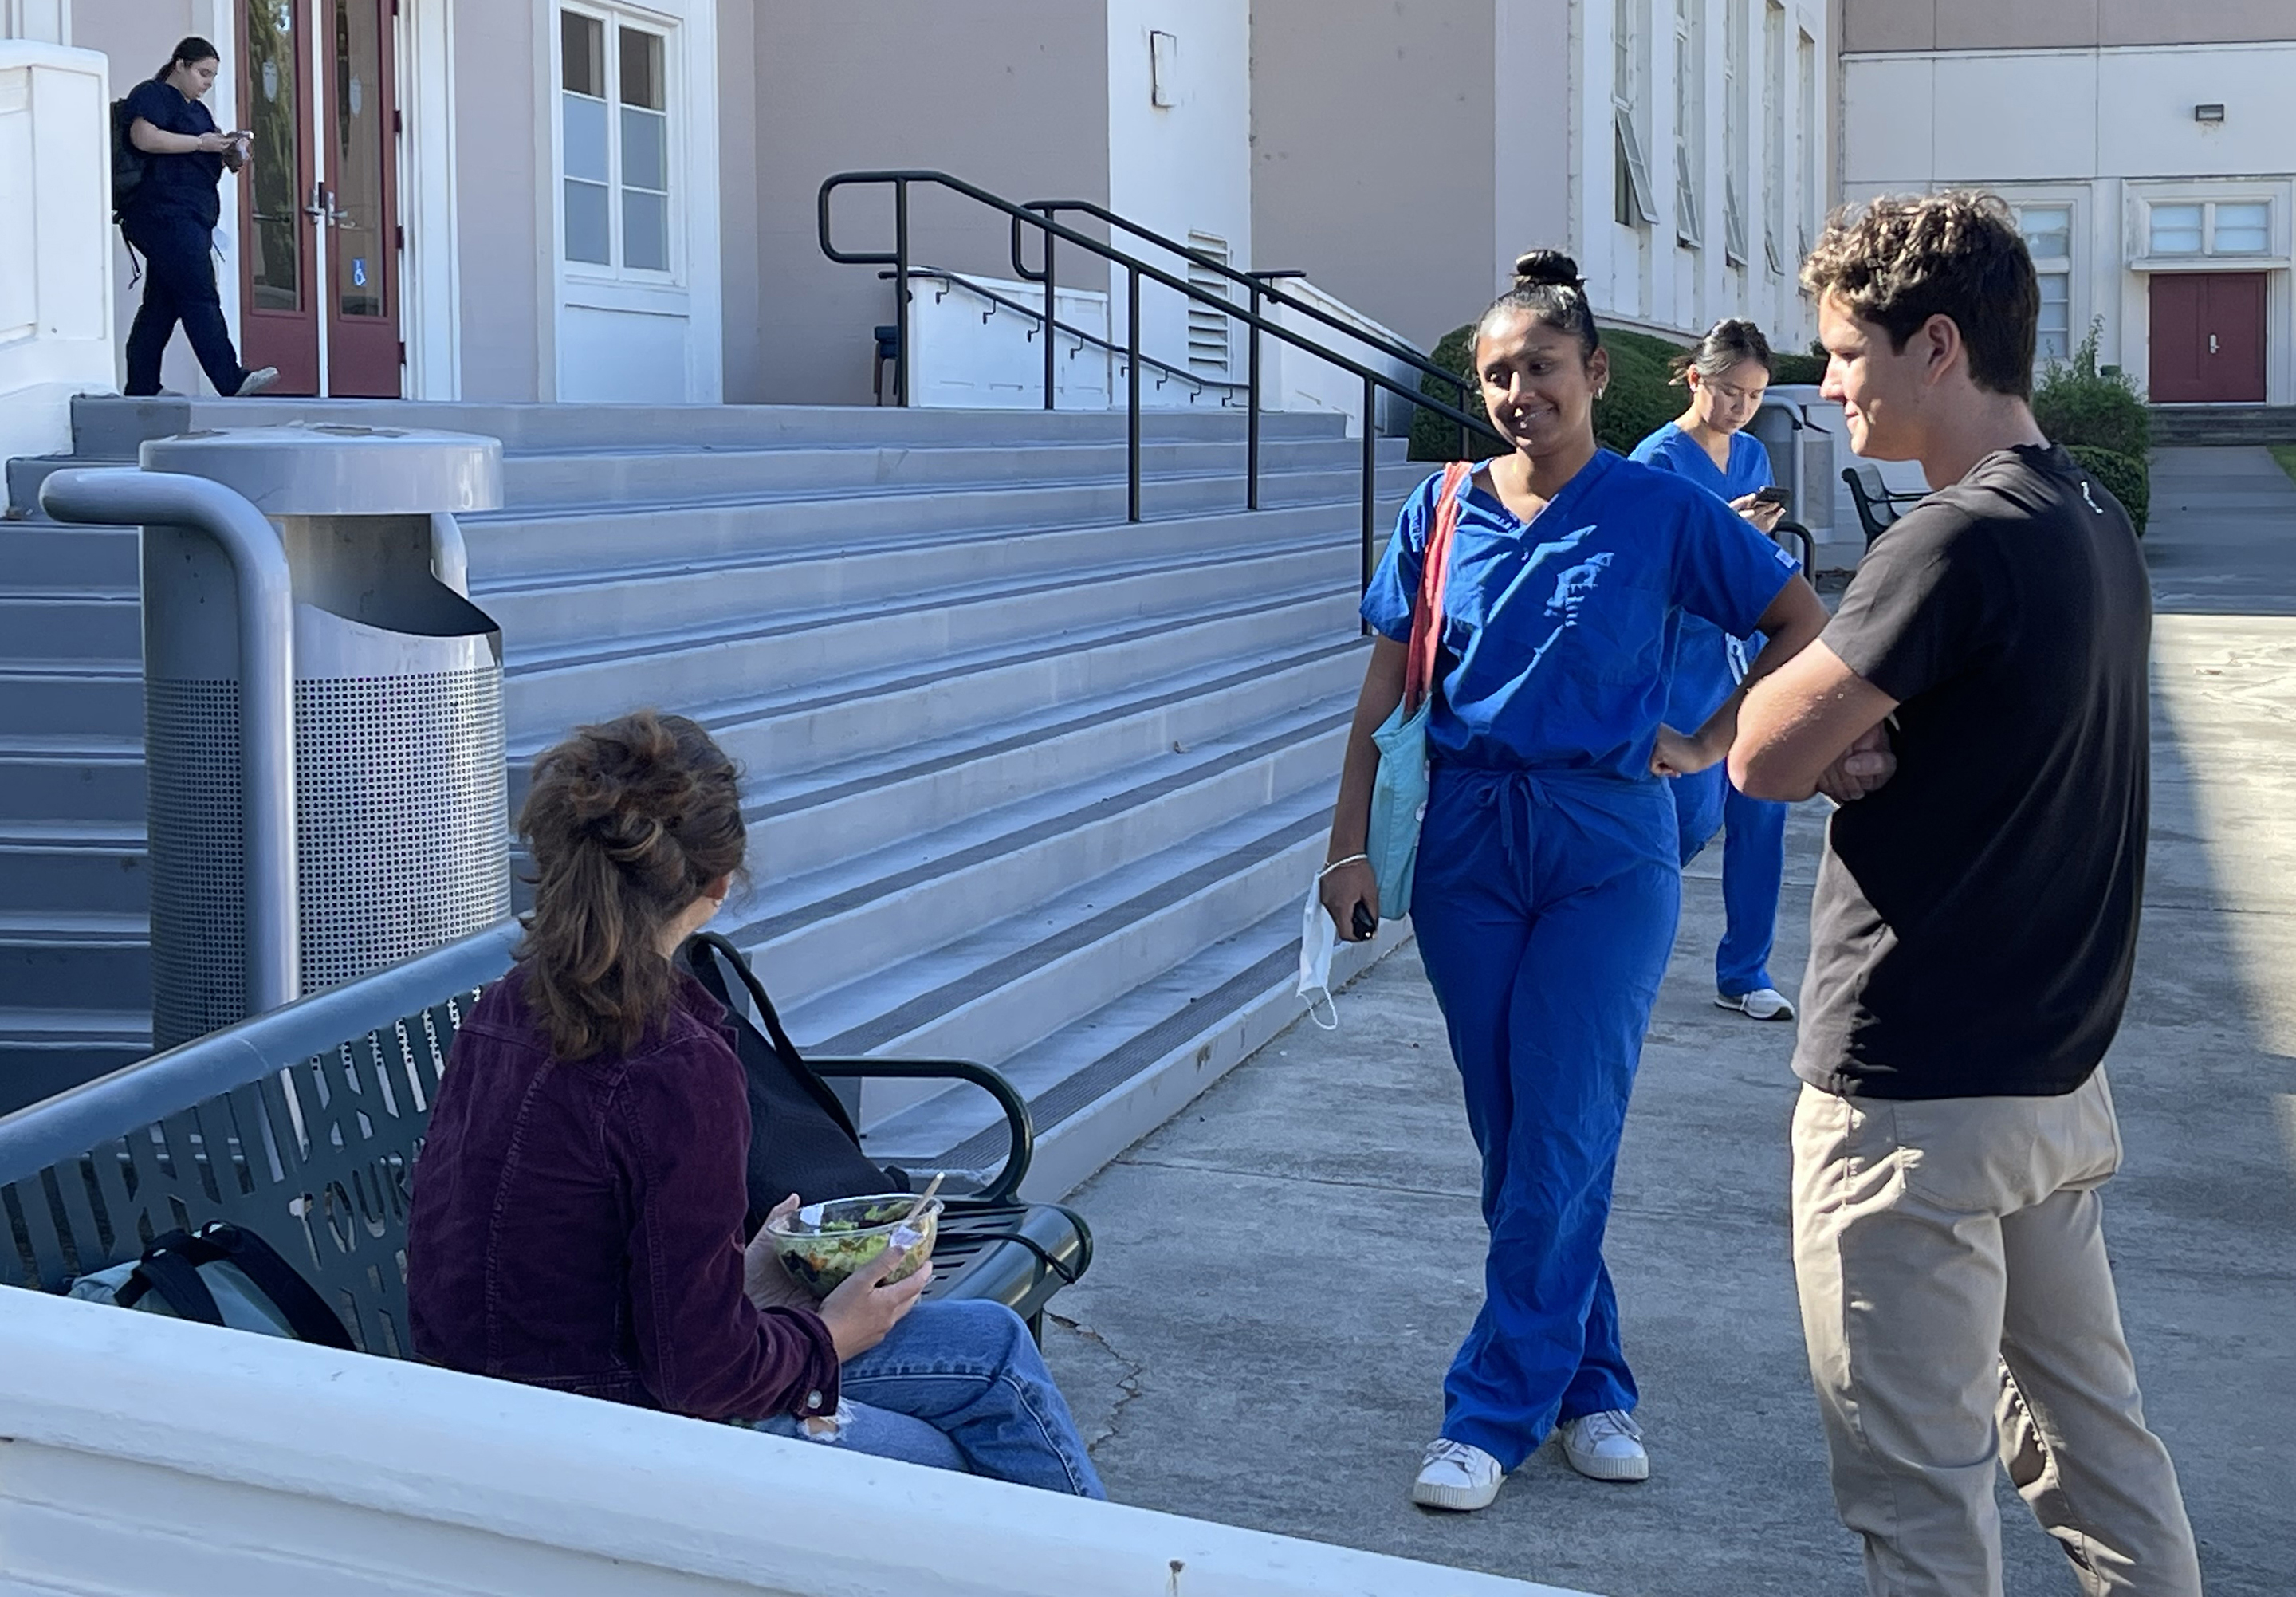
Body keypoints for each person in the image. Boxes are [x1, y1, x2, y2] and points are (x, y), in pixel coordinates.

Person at [1732, 192, 2201, 1596]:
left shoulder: (1951, 539)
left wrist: (1832, 724)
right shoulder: (2091, 514)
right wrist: (1863, 730)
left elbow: (1760, 751)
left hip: (1914, 1100)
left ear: (1937, 345)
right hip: (2052, 1085)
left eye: (1847, 353)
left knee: (1921, 1500)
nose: (1830, 387)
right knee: (2101, 1456)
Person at [1319, 252, 1829, 1512]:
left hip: (1609, 840)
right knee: (1517, 1133)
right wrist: (1343, 845)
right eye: (1496, 373)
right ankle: (1594, 1378)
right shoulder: (1437, 507)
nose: (1515, 391)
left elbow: (1800, 621)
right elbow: (1385, 688)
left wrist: (1712, 743)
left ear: (1596, 374)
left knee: (1564, 1122)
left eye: (1538, 366)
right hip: (1469, 838)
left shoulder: (1658, 506)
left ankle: (1490, 1407)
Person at [405, 710, 1103, 1496]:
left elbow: (571, 1256)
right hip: (613, 1434)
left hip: (502, 1399)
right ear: (719, 880)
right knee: (964, 1462)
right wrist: (835, 1333)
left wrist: (742, 1276)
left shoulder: (508, 1005)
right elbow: (701, 1376)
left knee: (996, 1344)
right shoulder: (674, 1061)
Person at [1630, 320, 1799, 1021]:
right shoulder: (1656, 462)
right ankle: (1627, 945)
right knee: (1691, 812)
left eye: (1755, 395)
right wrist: (1722, 539)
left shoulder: (1754, 454)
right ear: (1697, 379)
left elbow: (1763, 568)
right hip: (1682, 657)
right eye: (1731, 391)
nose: (1741, 407)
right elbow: (1637, 570)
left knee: (1764, 806)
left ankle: (1745, 969)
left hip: (1745, 654)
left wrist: (1750, 540)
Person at [120, 37, 278, 399]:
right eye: (203, 72)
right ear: (180, 65)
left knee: (163, 304)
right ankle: (230, 380)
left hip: (191, 217)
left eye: (213, 76)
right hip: (163, 213)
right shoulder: (154, 94)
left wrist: (231, 152)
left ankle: (141, 388)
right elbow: (144, 137)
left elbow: (208, 154)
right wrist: (202, 144)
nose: (208, 82)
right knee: (199, 293)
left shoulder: (198, 112)